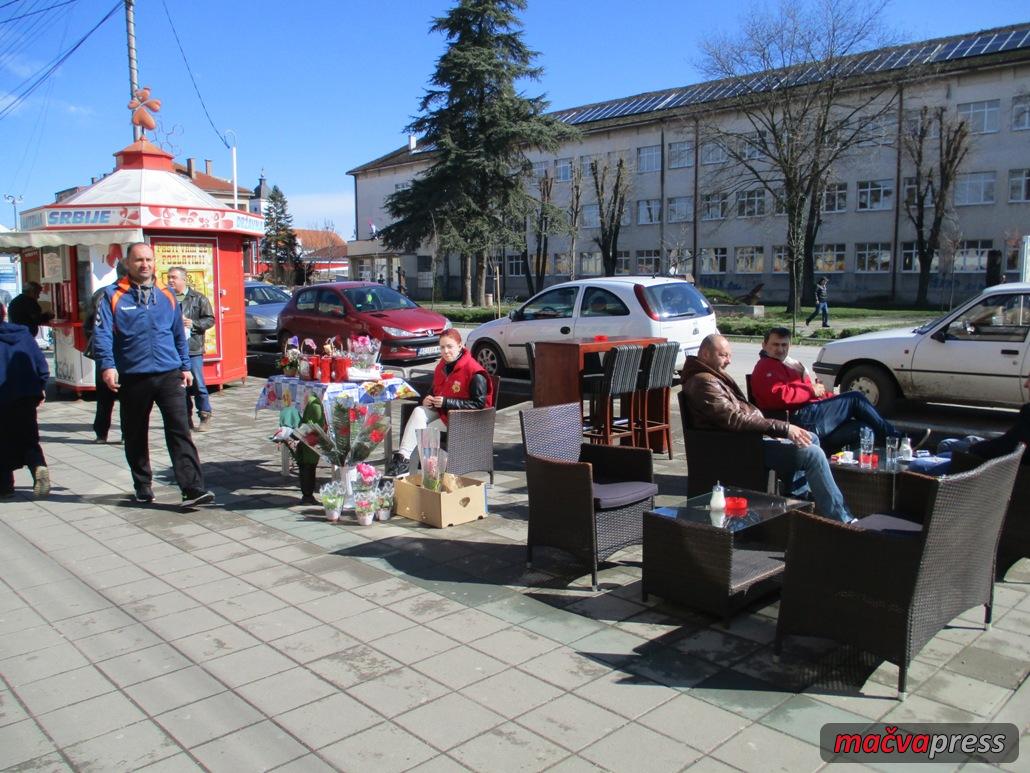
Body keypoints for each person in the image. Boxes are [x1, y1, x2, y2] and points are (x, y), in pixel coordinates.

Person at [91, 242, 215, 507]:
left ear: (154, 263)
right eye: (138, 260)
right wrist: (108, 365)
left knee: (180, 430)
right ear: (128, 263)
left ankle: (192, 488)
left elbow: (177, 334)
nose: (144, 265)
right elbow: (102, 334)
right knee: (135, 433)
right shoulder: (112, 295)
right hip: (133, 374)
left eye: (148, 260)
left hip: (169, 373)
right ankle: (143, 484)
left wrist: (185, 366)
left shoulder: (166, 295)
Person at [681, 334, 853, 523]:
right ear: (705, 354)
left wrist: (777, 430)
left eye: (729, 356)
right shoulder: (704, 381)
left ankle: (799, 498)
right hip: (740, 448)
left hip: (746, 439)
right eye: (723, 356)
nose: (729, 361)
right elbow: (734, 419)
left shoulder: (709, 375)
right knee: (813, 454)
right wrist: (783, 429)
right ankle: (842, 519)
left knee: (809, 437)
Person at [750, 327, 927, 454]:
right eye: (775, 345)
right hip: (798, 419)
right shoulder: (765, 366)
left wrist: (831, 399)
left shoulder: (788, 365)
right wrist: (811, 390)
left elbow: (814, 393)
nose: (780, 349)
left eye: (784, 345)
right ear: (764, 345)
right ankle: (899, 440)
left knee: (864, 429)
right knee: (855, 398)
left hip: (811, 414)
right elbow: (779, 396)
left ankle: (854, 474)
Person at [385, 328, 495, 477]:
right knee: (419, 411)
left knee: (424, 432)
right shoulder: (442, 366)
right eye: (442, 347)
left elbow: (479, 404)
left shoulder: (475, 372)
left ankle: (430, 476)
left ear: (460, 346)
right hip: (444, 414)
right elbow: (435, 389)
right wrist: (426, 398)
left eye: (450, 346)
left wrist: (446, 402)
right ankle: (403, 459)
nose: (445, 351)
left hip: (466, 420)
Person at [0, 303, 50, 498]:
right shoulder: (23, 334)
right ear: (4, 314)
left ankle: (5, 487)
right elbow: (40, 364)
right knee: (29, 436)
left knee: (2, 441)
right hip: (26, 395)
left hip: (3, 396)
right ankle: (38, 465)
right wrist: (41, 386)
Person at [166, 267, 215, 431]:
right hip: (172, 349)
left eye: (174, 277)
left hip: (193, 348)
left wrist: (193, 324)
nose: (170, 280)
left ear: (183, 279)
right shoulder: (166, 298)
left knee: (198, 383)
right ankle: (185, 419)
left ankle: (205, 414)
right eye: (168, 277)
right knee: (180, 386)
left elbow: (210, 320)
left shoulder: (198, 298)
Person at [85, 285, 119, 443]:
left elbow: (89, 323)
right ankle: (127, 433)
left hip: (104, 352)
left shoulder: (100, 293)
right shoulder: (129, 292)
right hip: (124, 352)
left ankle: (101, 433)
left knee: (104, 396)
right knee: (128, 397)